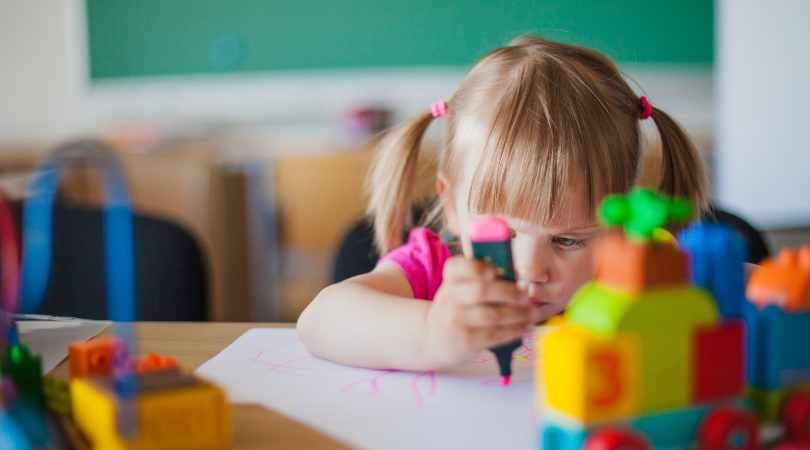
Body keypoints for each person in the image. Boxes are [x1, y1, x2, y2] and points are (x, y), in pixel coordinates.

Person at [297, 36, 707, 371]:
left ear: (620, 224)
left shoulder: (629, 274)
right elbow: (319, 321)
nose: (530, 270)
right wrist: (433, 333)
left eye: (567, 240)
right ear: (452, 206)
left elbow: (745, 285)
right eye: (503, 234)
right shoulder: (433, 274)